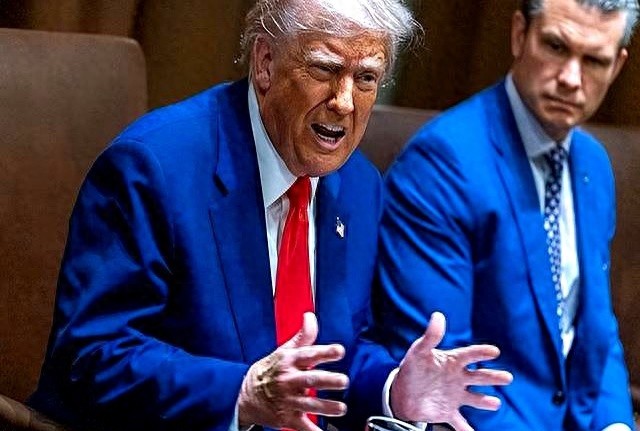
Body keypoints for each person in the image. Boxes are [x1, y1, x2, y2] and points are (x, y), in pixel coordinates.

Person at [29, 1, 513, 431]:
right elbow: (90, 357)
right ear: (265, 62)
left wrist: (393, 389)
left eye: (366, 78)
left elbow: (333, 353)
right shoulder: (153, 168)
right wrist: (240, 393)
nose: (344, 102)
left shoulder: (358, 185)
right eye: (325, 69)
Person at [375, 0, 638, 430]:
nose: (571, 78)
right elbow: (446, 369)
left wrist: (616, 425)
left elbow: (595, 331)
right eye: (556, 47)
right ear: (519, 34)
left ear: (617, 67)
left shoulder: (593, 163)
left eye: (594, 61)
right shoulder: (443, 163)